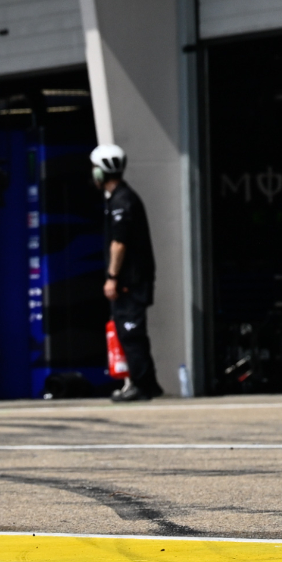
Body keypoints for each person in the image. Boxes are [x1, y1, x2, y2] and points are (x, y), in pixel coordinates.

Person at [94, 144, 161, 402]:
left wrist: (112, 277)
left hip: (130, 281)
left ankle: (142, 385)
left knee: (131, 333)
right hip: (131, 280)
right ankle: (148, 383)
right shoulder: (119, 199)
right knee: (129, 333)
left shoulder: (123, 200)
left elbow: (119, 243)